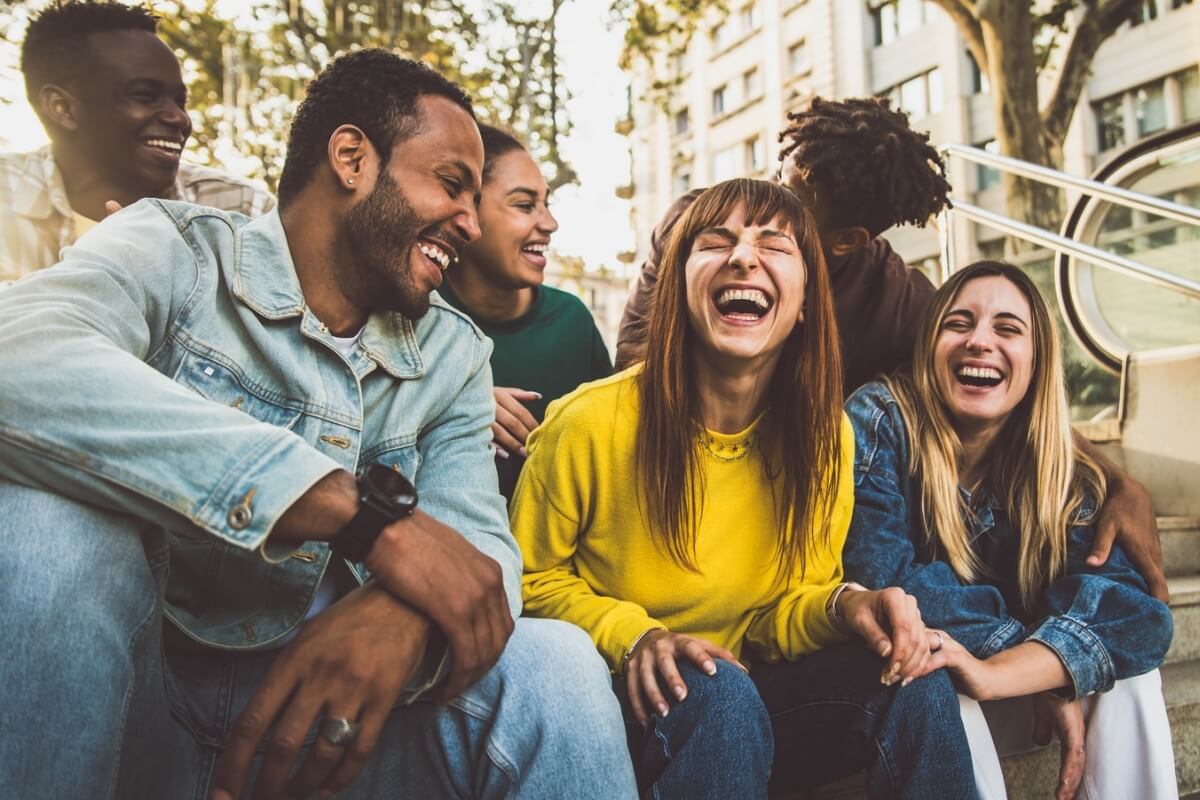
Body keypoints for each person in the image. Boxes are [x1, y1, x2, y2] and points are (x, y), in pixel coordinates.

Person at [0, 50, 636, 800]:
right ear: (351, 158)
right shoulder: (174, 250)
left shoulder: (454, 353)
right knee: (47, 526)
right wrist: (352, 513)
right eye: (452, 184)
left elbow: (481, 552)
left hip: (328, 748)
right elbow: (20, 355)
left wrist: (407, 617)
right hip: (139, 718)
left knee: (557, 663)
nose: (469, 220)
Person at [511, 178, 978, 799]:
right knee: (718, 687)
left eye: (774, 245)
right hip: (610, 704)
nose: (742, 256)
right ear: (679, 285)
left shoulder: (825, 437)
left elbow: (777, 617)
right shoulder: (586, 424)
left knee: (915, 674)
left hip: (742, 708)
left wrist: (850, 606)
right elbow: (522, 584)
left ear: (808, 299)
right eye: (717, 241)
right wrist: (635, 637)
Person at [615, 96, 1171, 606]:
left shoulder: (898, 299)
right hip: (683, 478)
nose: (764, 212)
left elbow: (1008, 386)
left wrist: (1117, 481)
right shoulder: (701, 227)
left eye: (793, 205)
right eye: (776, 176)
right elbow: (634, 368)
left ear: (847, 241)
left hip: (802, 517)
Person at [843, 261, 1176, 800]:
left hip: (1001, 680)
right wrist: (1037, 661)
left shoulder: (1058, 465)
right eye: (959, 323)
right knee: (929, 663)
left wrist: (1015, 671)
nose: (979, 341)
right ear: (929, 344)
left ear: (1036, 362)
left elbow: (1137, 616)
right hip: (924, 692)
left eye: (1007, 329)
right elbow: (886, 579)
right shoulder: (879, 419)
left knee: (1131, 680)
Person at [1, 2, 274, 282]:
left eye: (180, 102)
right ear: (62, 108)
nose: (179, 119)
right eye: (144, 96)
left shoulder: (241, 213)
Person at [438, 124, 612, 500]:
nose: (549, 224)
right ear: (466, 208)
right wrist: (458, 402)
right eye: (524, 205)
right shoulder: (414, 311)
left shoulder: (572, 321)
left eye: (547, 204)